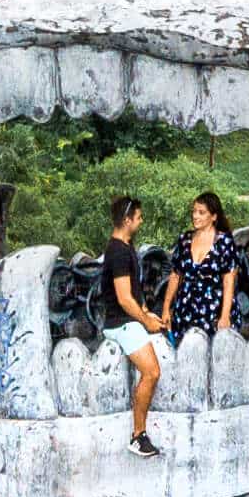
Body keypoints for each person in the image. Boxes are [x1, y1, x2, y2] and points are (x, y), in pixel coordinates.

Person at [100, 192, 167, 457]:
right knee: (151, 373)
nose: (140, 221)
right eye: (138, 217)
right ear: (127, 220)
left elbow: (135, 295)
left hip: (131, 320)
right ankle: (138, 436)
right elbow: (124, 299)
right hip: (121, 324)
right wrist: (145, 321)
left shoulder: (125, 246)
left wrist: (150, 314)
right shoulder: (117, 251)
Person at [163, 191, 244, 346]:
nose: (195, 216)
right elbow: (175, 275)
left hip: (214, 313)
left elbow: (229, 281)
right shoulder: (185, 240)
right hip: (185, 312)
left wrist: (225, 316)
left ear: (213, 216)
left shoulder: (224, 242)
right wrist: (166, 308)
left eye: (201, 212)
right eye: (194, 211)